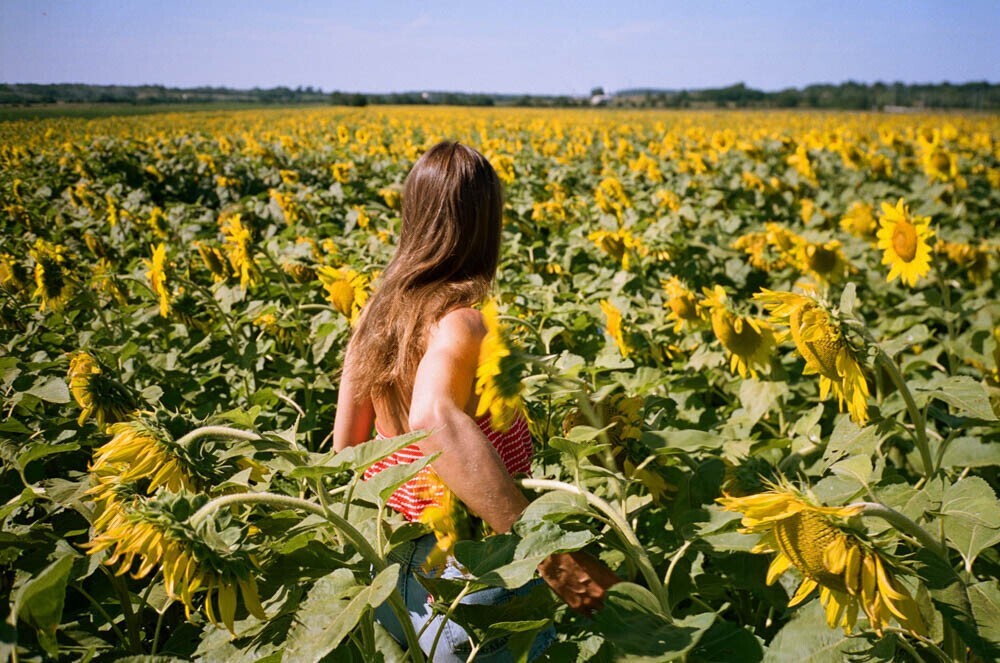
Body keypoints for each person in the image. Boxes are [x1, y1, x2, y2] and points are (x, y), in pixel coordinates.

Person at [333, 141, 619, 661]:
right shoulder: (462, 323)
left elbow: (348, 451)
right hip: (476, 580)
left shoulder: (374, 317)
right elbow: (432, 415)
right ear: (487, 223)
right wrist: (556, 563)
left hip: (398, 581)